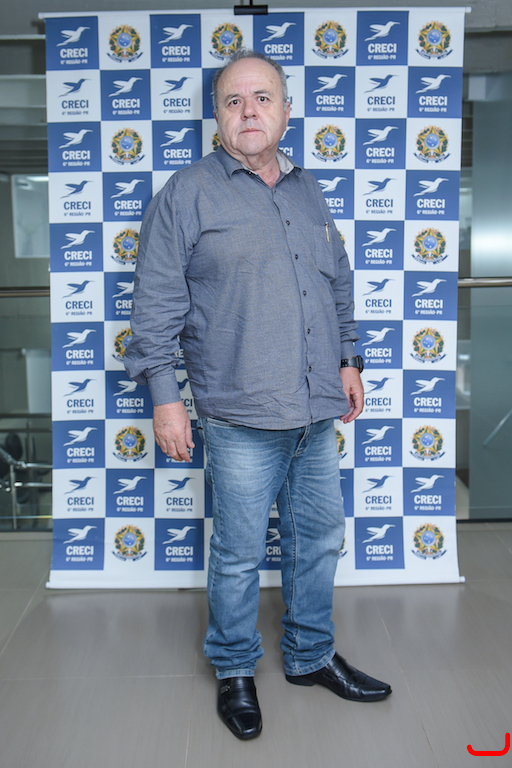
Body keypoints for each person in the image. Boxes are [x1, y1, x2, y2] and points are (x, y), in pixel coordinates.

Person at [125, 48, 391, 741]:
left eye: (262, 98)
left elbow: (337, 282)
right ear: (216, 115)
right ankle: (235, 668)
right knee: (240, 552)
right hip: (238, 411)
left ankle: (310, 655)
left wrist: (349, 359)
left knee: (318, 540)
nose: (248, 111)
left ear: (286, 111)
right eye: (233, 100)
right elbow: (154, 306)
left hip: (316, 408)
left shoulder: (309, 189)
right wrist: (165, 397)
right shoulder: (185, 193)